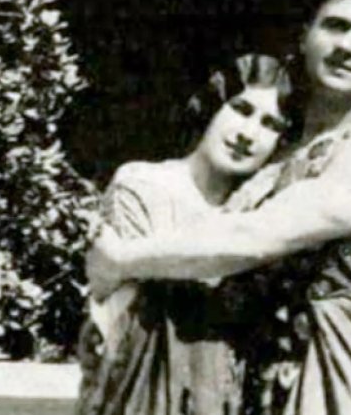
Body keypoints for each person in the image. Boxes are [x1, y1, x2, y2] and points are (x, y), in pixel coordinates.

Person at [87, 0, 351, 414]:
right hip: (274, 382)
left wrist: (122, 259)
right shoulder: (289, 149)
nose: (347, 46)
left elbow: (253, 239)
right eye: (335, 26)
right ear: (305, 36)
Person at [76, 54, 292, 415]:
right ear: (212, 107)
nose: (248, 134)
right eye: (241, 109)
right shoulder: (142, 184)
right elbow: (122, 304)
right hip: (138, 390)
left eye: (270, 124)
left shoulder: (262, 210)